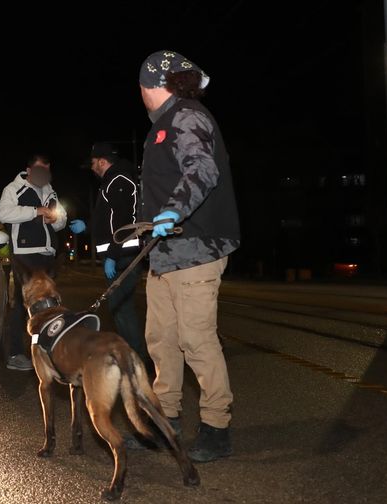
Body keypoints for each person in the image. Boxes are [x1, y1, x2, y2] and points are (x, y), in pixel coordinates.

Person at [137, 50, 240, 463]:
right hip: (164, 254)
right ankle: (167, 419)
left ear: (150, 84)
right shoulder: (162, 124)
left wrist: (174, 211)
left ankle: (217, 427)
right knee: (162, 341)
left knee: (197, 340)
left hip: (197, 248)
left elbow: (202, 169)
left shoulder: (187, 116)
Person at [67, 142, 145, 360]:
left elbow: (123, 221)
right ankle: (133, 356)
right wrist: (88, 226)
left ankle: (135, 358)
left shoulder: (118, 180)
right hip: (119, 255)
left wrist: (112, 255)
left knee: (121, 307)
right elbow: (107, 220)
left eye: (93, 163)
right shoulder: (111, 181)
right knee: (120, 307)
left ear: (102, 161)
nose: (92, 168)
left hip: (123, 256)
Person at [0, 154, 67, 371]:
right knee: (22, 304)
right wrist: (35, 211)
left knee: (50, 304)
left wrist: (56, 219)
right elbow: (4, 213)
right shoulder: (13, 189)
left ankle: (48, 350)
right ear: (29, 170)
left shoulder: (50, 190)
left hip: (48, 254)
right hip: (25, 255)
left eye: (46, 170)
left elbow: (62, 218)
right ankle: (16, 354)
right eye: (39, 170)